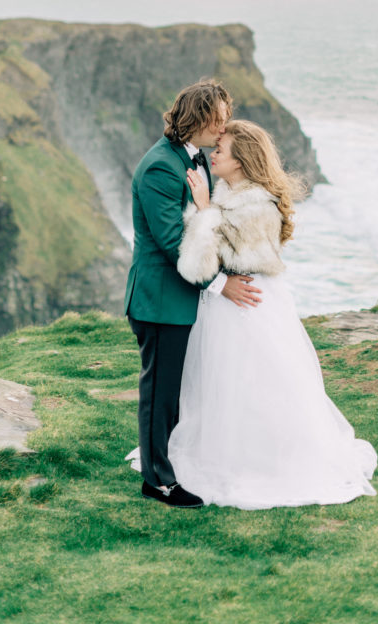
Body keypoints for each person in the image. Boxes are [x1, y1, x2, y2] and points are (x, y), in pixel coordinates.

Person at [166, 119, 377, 509]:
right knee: (223, 384)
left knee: (254, 383)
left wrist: (203, 210)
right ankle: (221, 450)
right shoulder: (229, 191)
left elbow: (206, 262)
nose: (213, 152)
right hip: (231, 301)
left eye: (222, 150)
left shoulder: (257, 205)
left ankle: (260, 461)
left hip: (247, 305)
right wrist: (209, 207)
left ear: (241, 162)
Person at [124, 82, 263, 509]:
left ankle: (169, 463)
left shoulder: (196, 157)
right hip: (160, 300)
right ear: (197, 118)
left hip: (180, 297)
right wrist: (223, 285)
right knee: (160, 394)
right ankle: (158, 482)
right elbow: (172, 242)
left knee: (178, 393)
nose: (224, 126)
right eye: (218, 118)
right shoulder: (160, 169)